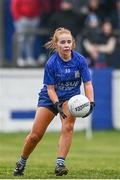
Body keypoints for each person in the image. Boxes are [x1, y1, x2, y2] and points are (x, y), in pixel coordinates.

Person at [13, 27, 95, 176]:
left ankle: (60, 164)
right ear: (56, 44)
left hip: (70, 99)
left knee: (68, 127)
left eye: (69, 42)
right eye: (62, 42)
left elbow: (87, 83)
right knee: (35, 135)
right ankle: (21, 162)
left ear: (73, 43)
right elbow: (50, 89)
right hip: (49, 98)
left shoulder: (80, 60)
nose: (66, 45)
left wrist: (91, 102)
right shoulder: (51, 63)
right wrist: (57, 103)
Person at [11, 0, 41, 67]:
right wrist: (18, 18)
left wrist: (37, 17)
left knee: (30, 40)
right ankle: (19, 58)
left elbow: (38, 6)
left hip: (33, 19)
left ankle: (29, 58)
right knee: (21, 39)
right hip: (22, 19)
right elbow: (14, 7)